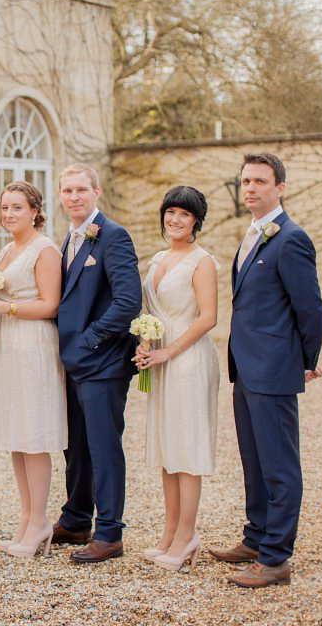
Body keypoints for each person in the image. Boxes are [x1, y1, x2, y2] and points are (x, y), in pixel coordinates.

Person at [209, 153, 322, 588]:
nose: (251, 188)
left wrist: (305, 360)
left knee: (279, 465)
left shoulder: (291, 238)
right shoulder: (254, 232)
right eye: (245, 181)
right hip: (246, 367)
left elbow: (310, 306)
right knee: (254, 461)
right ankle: (255, 538)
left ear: (281, 188)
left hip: (274, 369)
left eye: (260, 181)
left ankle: (276, 558)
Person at [53, 163, 142, 563]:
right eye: (67, 191)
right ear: (59, 196)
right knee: (77, 447)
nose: (74, 197)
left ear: (96, 192)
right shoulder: (68, 239)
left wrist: (90, 340)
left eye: (80, 190)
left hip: (103, 363)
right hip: (72, 363)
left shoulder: (114, 236)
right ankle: (75, 519)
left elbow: (127, 302)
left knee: (104, 447)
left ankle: (109, 532)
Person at [0, 181, 65, 559]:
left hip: (33, 347)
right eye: (5, 207)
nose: (9, 214)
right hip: (8, 349)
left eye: (16, 208)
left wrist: (3, 308)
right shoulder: (8, 250)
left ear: (34, 211)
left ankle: (41, 519)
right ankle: (27, 519)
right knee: (16, 436)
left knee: (34, 435)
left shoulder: (44, 250)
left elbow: (50, 305)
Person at [131, 186, 219, 572]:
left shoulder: (202, 262)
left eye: (184, 214)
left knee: (187, 450)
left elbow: (208, 317)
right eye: (170, 212)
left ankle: (187, 536)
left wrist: (170, 350)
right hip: (161, 360)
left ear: (196, 220)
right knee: (168, 451)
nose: (175, 220)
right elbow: (150, 311)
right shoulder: (158, 259)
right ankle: (169, 533)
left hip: (189, 359)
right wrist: (146, 344)